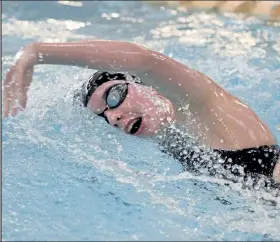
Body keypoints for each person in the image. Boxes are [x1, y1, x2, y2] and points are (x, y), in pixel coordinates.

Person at [3, 40, 280, 186]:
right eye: (104, 116)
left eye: (113, 96)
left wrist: (36, 52)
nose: (113, 117)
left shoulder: (201, 103)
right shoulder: (172, 135)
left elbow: (142, 58)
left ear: (143, 82)